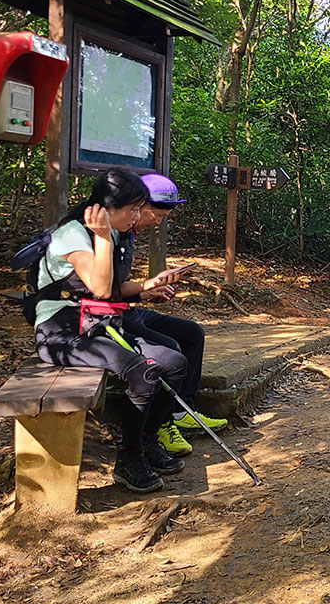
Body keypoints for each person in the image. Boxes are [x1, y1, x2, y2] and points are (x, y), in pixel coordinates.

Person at [32, 168, 190, 493]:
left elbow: (109, 292)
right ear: (107, 209)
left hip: (95, 323)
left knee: (174, 363)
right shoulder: (75, 235)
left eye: (138, 209)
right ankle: (128, 459)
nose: (136, 217)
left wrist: (147, 286)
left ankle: (145, 442)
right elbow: (102, 289)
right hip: (60, 332)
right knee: (143, 372)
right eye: (132, 209)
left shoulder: (112, 234)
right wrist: (103, 237)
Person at [120, 172, 227, 458]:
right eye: (156, 214)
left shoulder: (127, 234)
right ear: (137, 204)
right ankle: (159, 426)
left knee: (192, 333)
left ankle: (182, 411)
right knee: (171, 350)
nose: (158, 221)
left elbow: (116, 288)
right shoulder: (110, 234)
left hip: (128, 309)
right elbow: (99, 290)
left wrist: (145, 293)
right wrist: (146, 287)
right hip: (111, 318)